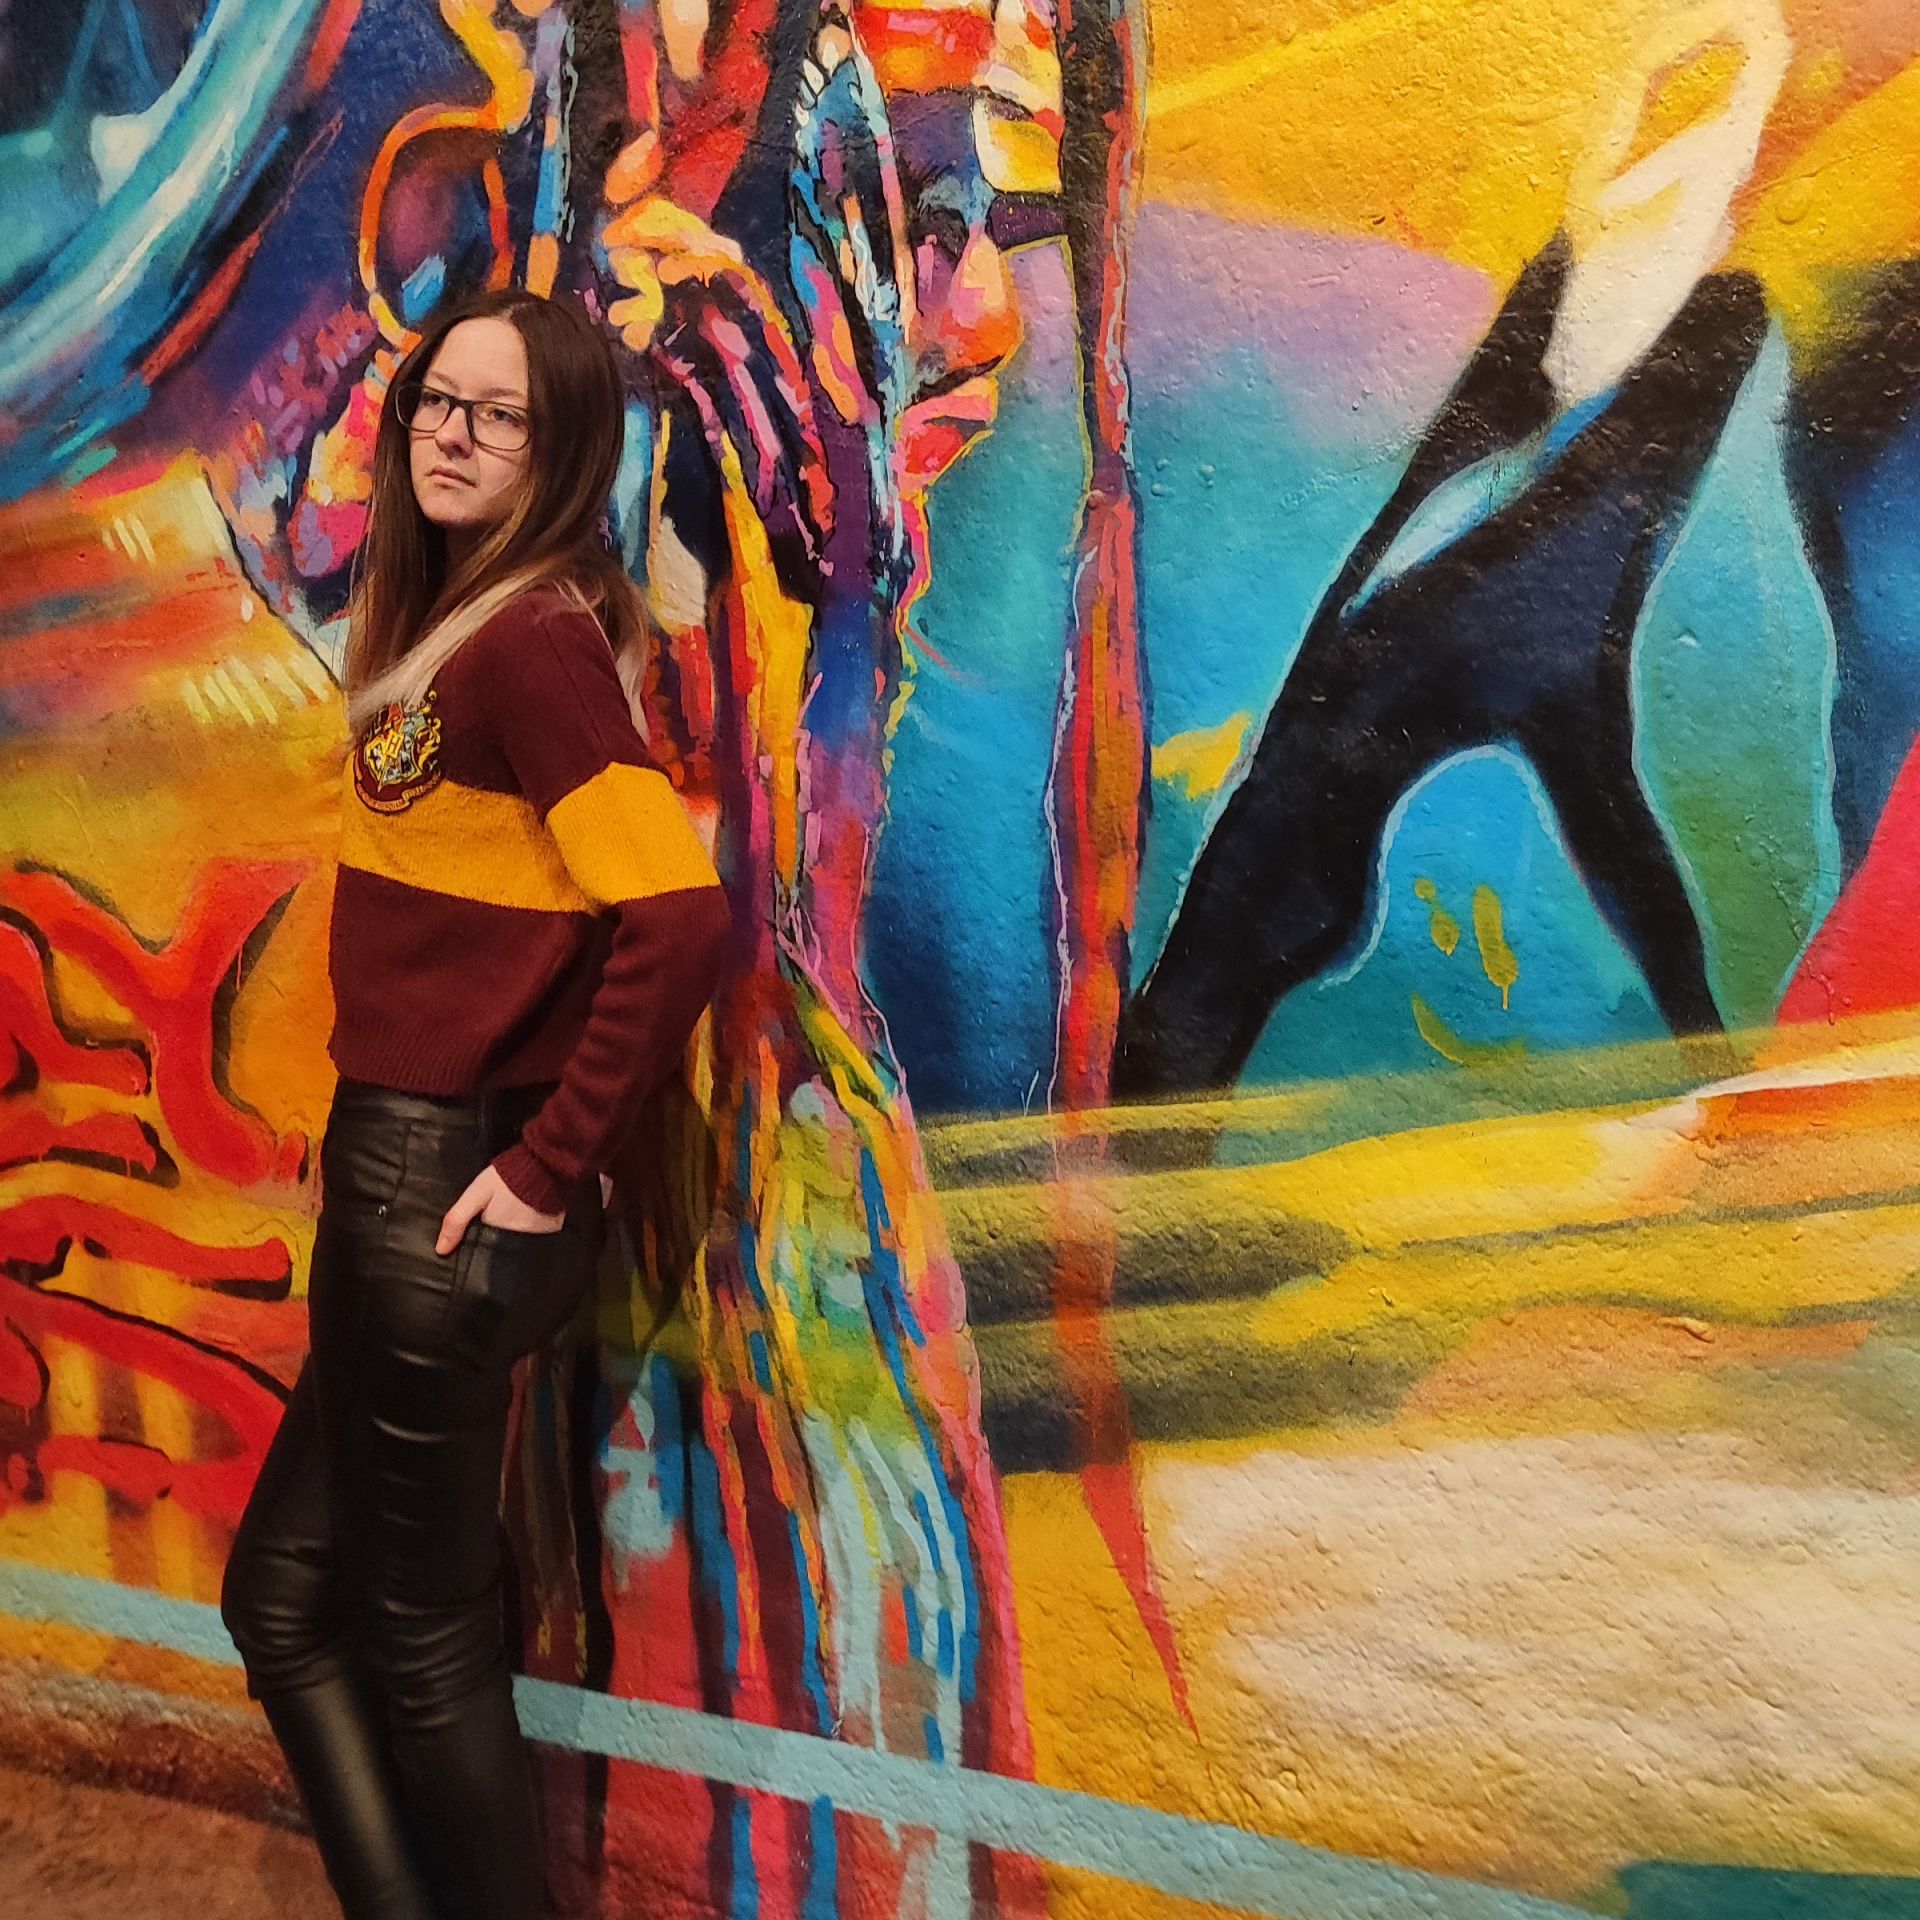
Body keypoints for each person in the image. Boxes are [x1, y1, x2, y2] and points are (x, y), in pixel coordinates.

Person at [219, 287, 731, 1920]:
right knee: (287, 1604)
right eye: (439, 400)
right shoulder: (459, 622)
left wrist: (547, 1164)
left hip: (445, 1190)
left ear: (561, 446)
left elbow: (679, 919)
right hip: (403, 1171)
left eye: (499, 415)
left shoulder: (529, 644)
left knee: (420, 1642)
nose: (452, 433)